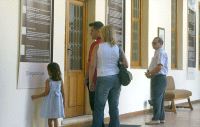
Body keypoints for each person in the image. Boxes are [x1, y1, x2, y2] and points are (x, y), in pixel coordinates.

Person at [90, 25, 128, 127]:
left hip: (103, 78)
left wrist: (91, 82)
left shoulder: (97, 46)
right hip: (116, 79)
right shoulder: (118, 47)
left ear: (103, 34)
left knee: (99, 107)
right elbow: (126, 64)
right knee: (114, 106)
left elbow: (92, 66)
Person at [31, 62, 65, 127]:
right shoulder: (60, 80)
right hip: (58, 103)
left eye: (48, 70)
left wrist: (36, 96)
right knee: (56, 119)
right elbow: (63, 93)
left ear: (51, 71)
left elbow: (46, 93)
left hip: (51, 102)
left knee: (50, 120)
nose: (48, 72)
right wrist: (64, 103)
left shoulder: (48, 81)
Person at [84, 21, 105, 127]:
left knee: (94, 106)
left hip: (95, 79)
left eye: (92, 31)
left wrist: (87, 78)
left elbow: (90, 64)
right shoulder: (108, 43)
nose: (90, 33)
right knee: (101, 106)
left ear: (98, 31)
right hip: (106, 79)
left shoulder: (95, 45)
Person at [145, 37, 168, 125]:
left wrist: (150, 73)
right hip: (158, 77)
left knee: (156, 99)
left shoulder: (161, 52)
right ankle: (161, 118)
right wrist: (149, 72)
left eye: (155, 43)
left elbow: (159, 67)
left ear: (160, 44)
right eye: (152, 43)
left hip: (159, 78)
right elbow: (155, 65)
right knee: (160, 99)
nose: (153, 44)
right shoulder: (157, 52)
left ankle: (155, 119)